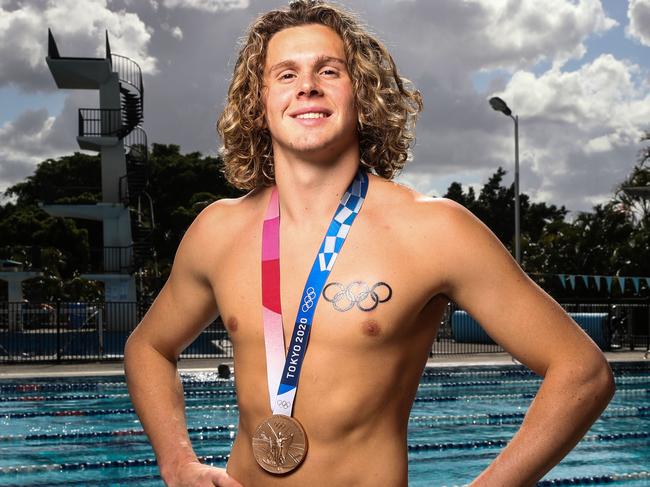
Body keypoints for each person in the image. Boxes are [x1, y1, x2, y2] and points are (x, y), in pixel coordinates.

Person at [123, 1, 615, 486]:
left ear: (363, 93)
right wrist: (178, 462)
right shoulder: (219, 230)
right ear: (259, 101)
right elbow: (148, 346)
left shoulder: (434, 230)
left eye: (329, 71)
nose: (307, 86)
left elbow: (582, 372)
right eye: (286, 74)